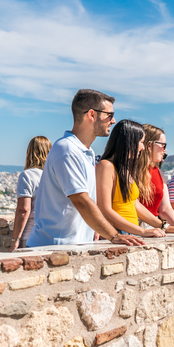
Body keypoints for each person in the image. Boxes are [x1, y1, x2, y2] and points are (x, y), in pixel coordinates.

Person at [27, 89, 143, 247]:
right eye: (109, 115)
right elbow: (81, 200)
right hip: (54, 247)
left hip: (71, 247)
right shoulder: (67, 150)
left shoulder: (85, 152)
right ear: (92, 115)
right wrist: (114, 236)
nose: (113, 120)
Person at [97, 120, 174, 237]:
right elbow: (104, 209)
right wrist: (142, 231)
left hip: (132, 232)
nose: (143, 147)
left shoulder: (126, 169)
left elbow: (136, 206)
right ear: (129, 142)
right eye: (141, 142)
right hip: (120, 233)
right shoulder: (106, 166)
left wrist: (165, 227)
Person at [136, 124, 174, 234]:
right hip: (136, 227)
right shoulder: (131, 172)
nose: (165, 150)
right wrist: (165, 226)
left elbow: (165, 208)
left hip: (155, 227)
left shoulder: (159, 173)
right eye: (163, 145)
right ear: (149, 145)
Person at [10, 136, 52, 250]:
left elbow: (24, 209)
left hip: (31, 235)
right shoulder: (55, 175)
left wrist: (15, 239)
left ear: (29, 152)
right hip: (52, 235)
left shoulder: (27, 175)